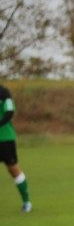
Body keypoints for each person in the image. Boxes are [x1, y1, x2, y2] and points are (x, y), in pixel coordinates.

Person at [0, 83, 31, 213]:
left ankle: (26, 202)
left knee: (13, 169)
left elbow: (10, 111)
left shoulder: (3, 92)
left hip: (5, 138)